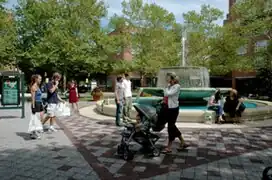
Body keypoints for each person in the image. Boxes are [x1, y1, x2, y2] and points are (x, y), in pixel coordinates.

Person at [162, 73, 189, 154]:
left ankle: (169, 147)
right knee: (172, 126)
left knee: (171, 127)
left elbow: (167, 94)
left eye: (169, 78)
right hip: (168, 109)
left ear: (173, 79)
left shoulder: (177, 86)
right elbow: (165, 94)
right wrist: (167, 87)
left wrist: (166, 87)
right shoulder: (170, 86)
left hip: (173, 109)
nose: (167, 79)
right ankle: (183, 142)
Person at [29, 74, 43, 139]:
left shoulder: (37, 86)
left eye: (41, 79)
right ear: (36, 79)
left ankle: (33, 132)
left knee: (38, 119)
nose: (40, 80)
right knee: (35, 119)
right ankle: (34, 134)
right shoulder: (33, 87)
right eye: (39, 79)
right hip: (36, 104)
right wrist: (33, 107)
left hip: (39, 103)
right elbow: (33, 98)